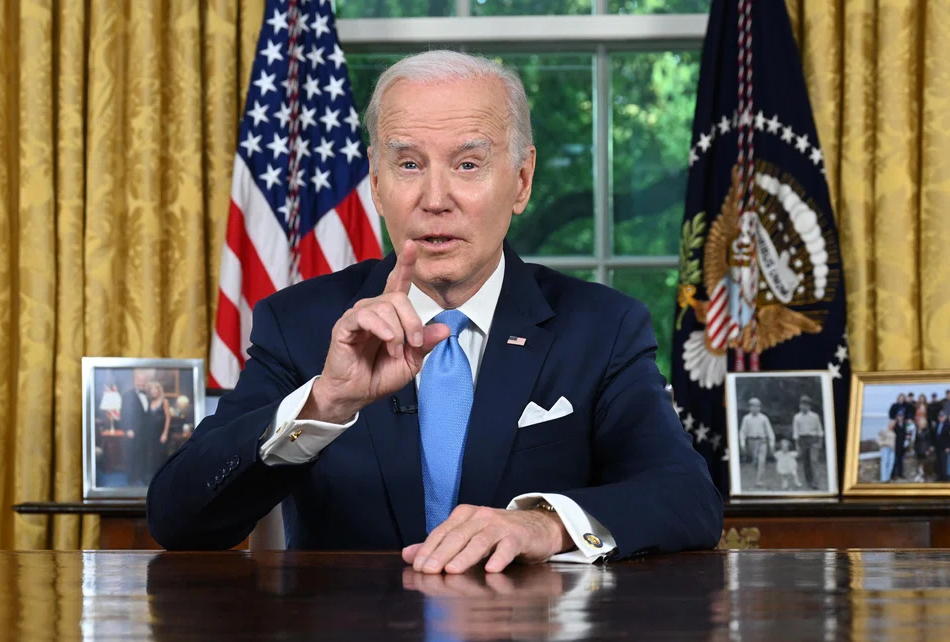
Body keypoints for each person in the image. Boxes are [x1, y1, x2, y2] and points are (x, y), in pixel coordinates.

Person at [146, 50, 723, 570]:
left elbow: (687, 497)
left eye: (468, 165)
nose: (435, 199)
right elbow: (179, 519)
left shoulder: (603, 327)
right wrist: (325, 402)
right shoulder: (300, 324)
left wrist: (543, 525)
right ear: (375, 182)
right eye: (409, 165)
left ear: (521, 181)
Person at [120, 369, 153, 486]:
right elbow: (124, 413)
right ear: (135, 380)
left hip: (145, 432)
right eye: (139, 379)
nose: (141, 382)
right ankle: (131, 479)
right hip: (133, 432)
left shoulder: (148, 395)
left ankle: (143, 477)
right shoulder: (127, 395)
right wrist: (128, 429)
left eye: (143, 380)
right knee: (132, 455)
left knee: (144, 454)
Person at [738, 398, 775, 487]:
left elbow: (770, 432)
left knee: (761, 460)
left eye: (757, 406)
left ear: (760, 408)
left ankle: (759, 480)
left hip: (762, 441)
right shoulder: (746, 418)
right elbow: (743, 432)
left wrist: (771, 444)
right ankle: (756, 476)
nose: (755, 408)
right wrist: (742, 443)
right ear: (750, 407)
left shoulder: (764, 418)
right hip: (752, 441)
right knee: (755, 461)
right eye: (752, 406)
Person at [792, 395, 824, 489]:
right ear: (800, 406)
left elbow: (820, 430)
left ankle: (816, 483)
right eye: (802, 405)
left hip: (813, 439)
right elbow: (796, 432)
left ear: (809, 406)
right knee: (806, 462)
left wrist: (820, 442)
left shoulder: (814, 416)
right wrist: (797, 445)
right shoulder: (797, 417)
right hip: (803, 440)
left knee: (813, 460)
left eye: (806, 405)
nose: (804, 407)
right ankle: (809, 481)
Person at [143, 381, 172, 483]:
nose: (154, 392)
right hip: (151, 434)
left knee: (161, 456)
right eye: (152, 390)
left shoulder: (164, 401)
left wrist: (165, 433)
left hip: (161, 433)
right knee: (152, 456)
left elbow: (168, 419)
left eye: (155, 390)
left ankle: (162, 479)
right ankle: (153, 479)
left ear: (159, 391)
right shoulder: (150, 402)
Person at [934, 411, 950, 482]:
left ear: (945, 417)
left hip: (945, 447)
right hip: (938, 447)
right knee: (939, 461)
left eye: (942, 416)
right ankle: (940, 476)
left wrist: (948, 447)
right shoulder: (937, 425)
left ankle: (945, 477)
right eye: (939, 416)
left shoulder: (948, 425)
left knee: (945, 463)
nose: (941, 418)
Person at [892, 409, 908, 480]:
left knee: (901, 461)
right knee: (895, 460)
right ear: (897, 416)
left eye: (901, 416)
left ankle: (900, 474)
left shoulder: (904, 424)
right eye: (899, 416)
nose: (900, 417)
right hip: (896, 445)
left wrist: (906, 440)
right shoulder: (894, 424)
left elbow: (906, 433)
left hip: (902, 445)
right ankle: (893, 475)